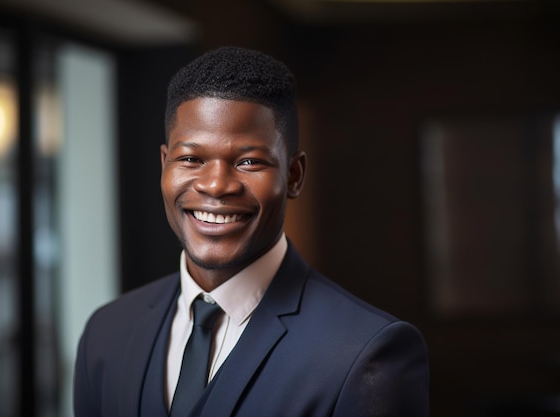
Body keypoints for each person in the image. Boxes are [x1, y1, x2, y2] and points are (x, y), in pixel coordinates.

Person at [73, 46, 429, 417]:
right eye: (191, 159)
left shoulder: (366, 354)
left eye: (249, 162)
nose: (215, 185)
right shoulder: (105, 334)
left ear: (293, 175)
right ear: (165, 164)